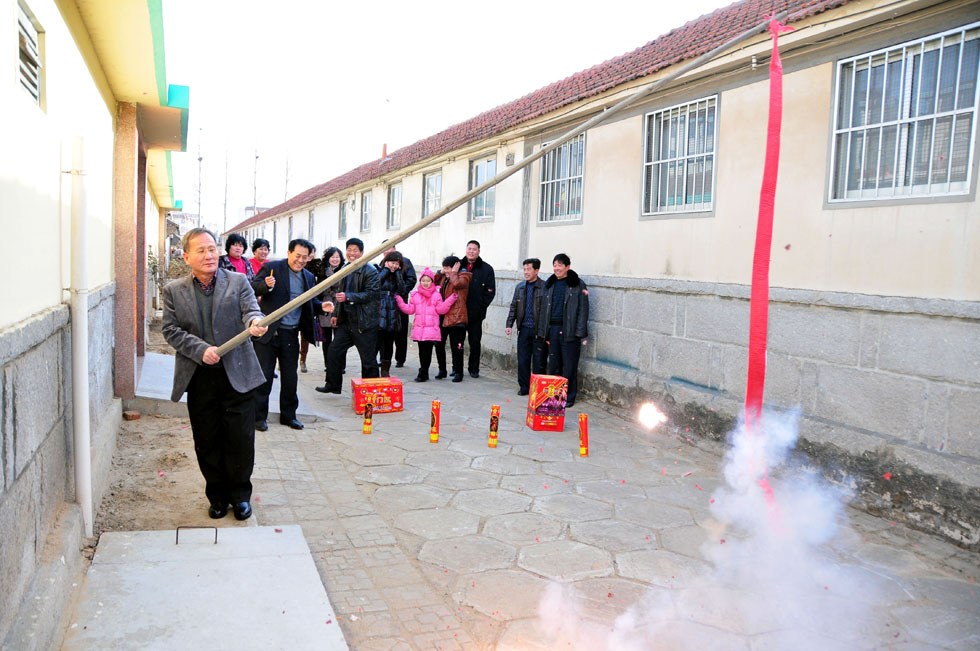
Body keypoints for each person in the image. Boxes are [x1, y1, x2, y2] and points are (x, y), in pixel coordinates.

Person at [161, 227, 267, 521]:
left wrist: (256, 322)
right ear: (186, 257)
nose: (209, 255)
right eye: (201, 250)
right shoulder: (173, 290)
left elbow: (251, 311)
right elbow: (171, 330)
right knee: (207, 440)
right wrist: (200, 349)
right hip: (200, 377)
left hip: (238, 375)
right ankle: (217, 496)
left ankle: (240, 496)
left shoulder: (238, 281)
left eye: (212, 249)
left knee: (241, 439)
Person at [251, 239, 325, 430]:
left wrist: (321, 307)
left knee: (290, 378)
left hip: (291, 334)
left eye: (305, 257)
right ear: (289, 252)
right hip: (268, 333)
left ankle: (289, 416)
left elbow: (310, 302)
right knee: (264, 377)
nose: (300, 260)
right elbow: (253, 287)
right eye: (297, 255)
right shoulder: (273, 268)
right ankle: (259, 417)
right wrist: (266, 285)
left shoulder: (308, 276)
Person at [316, 237, 381, 395]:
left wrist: (349, 297)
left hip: (364, 323)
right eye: (349, 250)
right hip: (346, 322)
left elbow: (372, 294)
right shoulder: (345, 268)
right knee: (334, 351)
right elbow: (339, 294)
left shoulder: (370, 270)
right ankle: (333, 384)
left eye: (355, 251)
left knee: (368, 360)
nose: (351, 253)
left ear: (362, 253)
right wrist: (336, 314)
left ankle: (371, 391)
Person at [538, 253, 589, 408]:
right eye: (555, 265)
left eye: (560, 265)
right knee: (553, 364)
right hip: (552, 329)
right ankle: (554, 395)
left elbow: (583, 310)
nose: (557, 268)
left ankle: (569, 396)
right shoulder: (550, 284)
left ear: (567, 267)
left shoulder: (577, 284)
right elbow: (543, 310)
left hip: (570, 330)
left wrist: (579, 332)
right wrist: (543, 331)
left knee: (569, 365)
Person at [395, 268, 457, 382]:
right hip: (419, 330)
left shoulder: (436, 295)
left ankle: (423, 373)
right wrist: (400, 301)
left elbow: (441, 309)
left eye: (428, 281)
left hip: (431, 330)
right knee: (421, 352)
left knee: (427, 352)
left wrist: (451, 299)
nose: (425, 283)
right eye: (423, 280)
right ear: (420, 281)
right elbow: (410, 309)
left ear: (432, 281)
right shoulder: (415, 295)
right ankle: (424, 372)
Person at [505, 258, 547, 396]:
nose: (526, 272)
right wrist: (509, 324)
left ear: (536, 270)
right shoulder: (520, 287)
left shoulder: (545, 287)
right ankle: (524, 386)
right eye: (525, 269)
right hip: (523, 328)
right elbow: (514, 306)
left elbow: (547, 311)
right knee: (523, 359)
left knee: (538, 360)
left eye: (529, 269)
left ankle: (537, 388)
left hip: (538, 330)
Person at [434, 255, 471, 383]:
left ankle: (458, 372)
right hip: (443, 315)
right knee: (438, 343)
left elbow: (457, 284)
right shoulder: (445, 277)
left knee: (457, 346)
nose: (446, 270)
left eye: (448, 267)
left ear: (455, 266)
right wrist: (440, 272)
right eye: (444, 268)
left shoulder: (464, 276)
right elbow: (432, 281)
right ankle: (442, 370)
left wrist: (454, 272)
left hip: (457, 316)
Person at [461, 240, 495, 377]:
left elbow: (490, 292)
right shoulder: (458, 265)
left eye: (474, 249)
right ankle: (457, 369)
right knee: (457, 342)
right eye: (469, 249)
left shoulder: (486, 269)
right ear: (466, 250)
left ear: (479, 251)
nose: (471, 251)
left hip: (476, 313)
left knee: (475, 342)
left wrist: (480, 307)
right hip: (459, 312)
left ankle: (474, 369)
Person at [375, 250, 409, 377]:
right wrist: (386, 271)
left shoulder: (399, 274)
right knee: (376, 342)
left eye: (396, 263)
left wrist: (399, 274)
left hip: (393, 313)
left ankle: (385, 369)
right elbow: (375, 283)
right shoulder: (378, 270)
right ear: (386, 261)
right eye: (391, 262)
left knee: (389, 343)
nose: (394, 266)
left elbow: (403, 290)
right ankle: (371, 368)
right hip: (379, 311)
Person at [314, 246, 344, 381]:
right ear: (328, 258)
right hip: (326, 306)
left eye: (337, 257)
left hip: (340, 305)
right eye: (333, 257)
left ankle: (340, 365)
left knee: (340, 339)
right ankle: (328, 364)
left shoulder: (345, 270)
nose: (335, 259)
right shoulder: (322, 272)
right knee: (327, 339)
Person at [298, 243, 318, 373]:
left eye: (311, 253)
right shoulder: (295, 265)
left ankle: (303, 360)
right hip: (294, 304)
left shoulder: (318, 266)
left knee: (305, 335)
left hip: (309, 304)